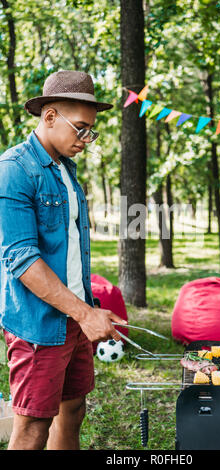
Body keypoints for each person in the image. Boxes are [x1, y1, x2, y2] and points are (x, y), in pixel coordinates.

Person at [0, 70, 127, 450]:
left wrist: (87, 310)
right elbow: (21, 259)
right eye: (81, 129)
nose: (86, 140)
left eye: (92, 131)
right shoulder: (13, 170)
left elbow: (70, 247)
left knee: (73, 412)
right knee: (34, 428)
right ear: (50, 116)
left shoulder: (66, 171)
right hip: (39, 325)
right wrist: (85, 315)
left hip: (76, 316)